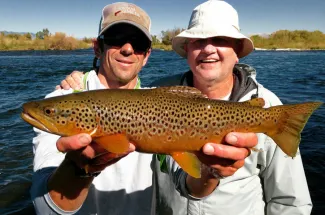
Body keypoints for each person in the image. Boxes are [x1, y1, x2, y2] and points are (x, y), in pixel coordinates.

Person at [60, 1, 313, 214]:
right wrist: (84, 81)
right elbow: (117, 94)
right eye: (198, 41)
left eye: (220, 40)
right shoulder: (155, 93)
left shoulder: (269, 108)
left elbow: (291, 202)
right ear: (188, 50)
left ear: (238, 52)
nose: (209, 48)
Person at [31, 1, 257, 215]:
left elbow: (187, 188)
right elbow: (45, 208)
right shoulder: (63, 98)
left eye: (138, 43)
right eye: (117, 38)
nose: (128, 49)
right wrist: (77, 169)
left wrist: (213, 171)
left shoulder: (162, 100)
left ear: (147, 55)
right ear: (97, 48)